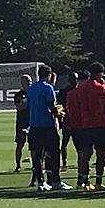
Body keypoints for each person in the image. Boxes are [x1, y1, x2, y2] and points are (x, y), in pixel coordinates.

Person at [27, 64, 70, 192]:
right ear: (49, 75)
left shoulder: (32, 88)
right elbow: (51, 105)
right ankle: (55, 181)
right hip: (47, 125)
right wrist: (59, 113)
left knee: (37, 155)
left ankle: (41, 182)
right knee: (54, 153)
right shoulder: (48, 87)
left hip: (34, 125)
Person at [73, 62, 105, 190]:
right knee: (100, 154)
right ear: (99, 74)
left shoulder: (81, 88)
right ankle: (98, 182)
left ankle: (85, 181)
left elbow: (77, 106)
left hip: (85, 125)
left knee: (85, 155)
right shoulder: (101, 88)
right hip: (99, 124)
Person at [56, 72, 78, 171]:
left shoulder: (79, 90)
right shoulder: (65, 91)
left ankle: (80, 162)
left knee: (79, 144)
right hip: (68, 121)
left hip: (77, 122)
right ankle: (64, 163)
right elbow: (60, 106)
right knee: (65, 143)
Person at [13, 74, 32, 173]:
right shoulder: (19, 95)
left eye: (30, 81)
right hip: (22, 122)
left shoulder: (34, 93)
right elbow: (20, 107)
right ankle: (18, 165)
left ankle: (35, 165)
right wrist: (29, 101)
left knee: (34, 145)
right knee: (20, 144)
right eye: (27, 82)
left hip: (33, 122)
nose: (29, 83)